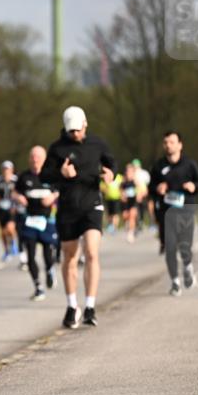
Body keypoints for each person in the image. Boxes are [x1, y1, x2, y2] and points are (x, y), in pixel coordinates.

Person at [40, 106, 116, 328]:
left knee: (92, 252)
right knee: (69, 257)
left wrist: (112, 173)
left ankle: (90, 306)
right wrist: (60, 174)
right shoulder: (57, 148)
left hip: (92, 204)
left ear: (85, 124)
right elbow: (44, 175)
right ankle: (72, 305)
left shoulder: (98, 144)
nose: (75, 134)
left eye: (78, 129)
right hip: (67, 208)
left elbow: (112, 164)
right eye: (71, 131)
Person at [149, 131, 198, 296]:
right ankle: (175, 282)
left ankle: (187, 267)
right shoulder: (158, 166)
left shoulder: (189, 164)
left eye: (172, 142)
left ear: (180, 145)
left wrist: (194, 187)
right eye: (166, 142)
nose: (168, 145)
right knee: (170, 248)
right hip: (166, 214)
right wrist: (157, 188)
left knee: (185, 247)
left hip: (186, 210)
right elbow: (150, 188)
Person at [14, 146, 60, 301]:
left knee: (48, 253)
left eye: (38, 157)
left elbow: (60, 189)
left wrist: (52, 197)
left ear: (44, 158)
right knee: (30, 255)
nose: (35, 160)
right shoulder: (24, 176)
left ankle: (49, 271)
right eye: (33, 156)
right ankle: (38, 287)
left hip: (47, 220)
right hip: (30, 220)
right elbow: (15, 191)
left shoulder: (51, 175)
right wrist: (18, 197)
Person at [0, 160, 19, 262]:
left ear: (12, 170)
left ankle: (14, 243)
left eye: (8, 169)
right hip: (2, 207)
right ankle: (6, 251)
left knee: (10, 228)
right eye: (4, 169)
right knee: (3, 232)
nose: (6, 171)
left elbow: (19, 193)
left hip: (13, 207)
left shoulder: (16, 180)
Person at [120, 162, 147, 244]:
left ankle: (130, 233)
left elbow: (143, 190)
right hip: (125, 202)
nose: (128, 173)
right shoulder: (123, 181)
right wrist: (122, 195)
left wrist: (139, 195)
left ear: (133, 172)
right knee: (125, 216)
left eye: (130, 171)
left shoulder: (135, 181)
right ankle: (129, 225)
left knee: (132, 215)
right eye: (127, 171)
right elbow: (120, 189)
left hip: (133, 201)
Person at [101, 167, 123, 235]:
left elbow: (122, 186)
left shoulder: (119, 177)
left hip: (116, 197)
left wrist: (122, 194)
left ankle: (114, 227)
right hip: (108, 198)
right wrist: (106, 187)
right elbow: (102, 187)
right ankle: (111, 225)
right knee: (110, 213)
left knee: (115, 213)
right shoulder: (106, 176)